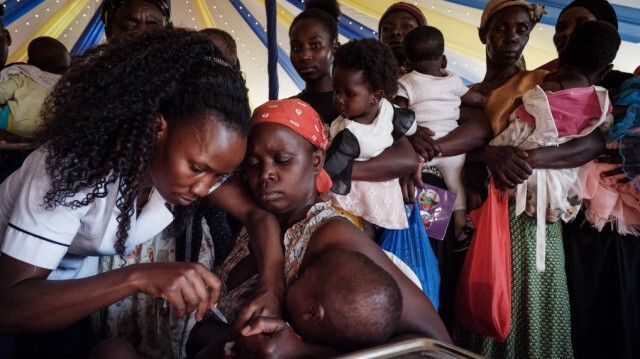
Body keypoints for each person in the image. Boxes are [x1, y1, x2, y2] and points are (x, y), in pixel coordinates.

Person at [0, 28, 283, 359]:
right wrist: (137, 277)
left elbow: (257, 214)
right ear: (157, 128)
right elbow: (8, 307)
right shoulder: (69, 171)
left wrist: (272, 287)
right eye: (197, 168)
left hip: (66, 282)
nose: (205, 188)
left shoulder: (189, 162)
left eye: (219, 175)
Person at [189, 98, 450, 358]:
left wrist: (302, 352)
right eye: (254, 163)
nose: (265, 173)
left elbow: (436, 346)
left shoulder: (329, 234)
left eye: (282, 160)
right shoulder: (259, 215)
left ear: (316, 160)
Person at [489, 20, 619, 272]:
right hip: (562, 178)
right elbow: (603, 132)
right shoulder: (601, 102)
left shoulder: (543, 91)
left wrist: (494, 151)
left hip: (520, 178)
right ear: (605, 70)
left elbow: (520, 128)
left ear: (563, 54)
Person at [188, 248, 404, 357]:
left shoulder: (266, 338)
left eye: (304, 275)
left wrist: (233, 333)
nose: (297, 273)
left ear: (311, 312)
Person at [394, 26, 485, 238]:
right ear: (442, 60)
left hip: (422, 149)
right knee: (455, 184)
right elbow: (471, 98)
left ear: (407, 64)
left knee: (414, 177)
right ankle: (461, 221)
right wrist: (483, 99)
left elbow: (399, 110)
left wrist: (412, 130)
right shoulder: (453, 79)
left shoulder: (406, 82)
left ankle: (412, 215)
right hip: (454, 149)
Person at [325, 38, 412, 231]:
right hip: (385, 196)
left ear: (376, 96)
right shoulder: (387, 111)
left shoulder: (350, 135)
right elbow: (410, 125)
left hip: (358, 198)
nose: (339, 99)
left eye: (349, 94)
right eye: (336, 91)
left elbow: (327, 169)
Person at [538, 0, 631, 95]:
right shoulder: (535, 79)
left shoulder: (627, 88)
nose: (567, 33)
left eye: (581, 25)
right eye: (561, 28)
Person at [0, 36, 69, 143]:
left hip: (13, 121)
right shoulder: (66, 86)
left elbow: (2, 92)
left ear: (30, 63)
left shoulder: (25, 74)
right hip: (45, 132)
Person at [289, 0, 341, 126]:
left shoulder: (351, 106)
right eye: (296, 48)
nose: (304, 56)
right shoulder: (287, 108)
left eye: (315, 45)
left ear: (335, 48)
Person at [378, 2, 428, 77]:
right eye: (387, 28)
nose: (395, 32)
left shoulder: (442, 81)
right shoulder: (365, 78)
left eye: (407, 26)